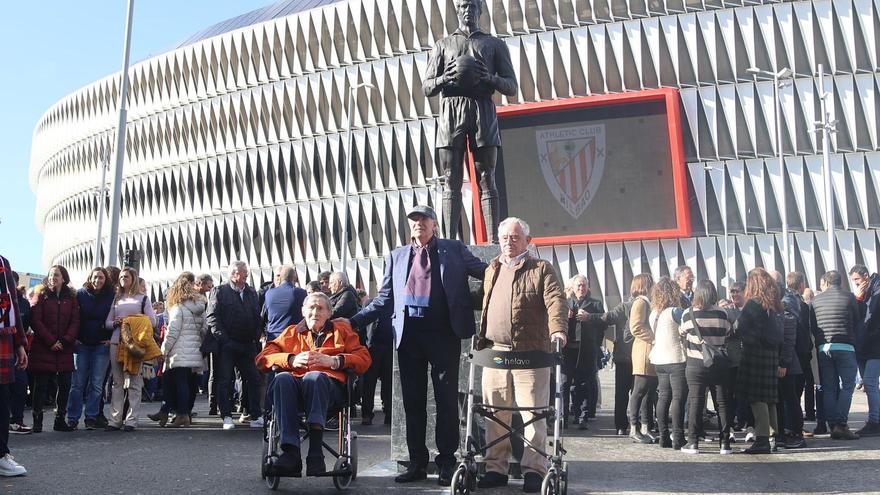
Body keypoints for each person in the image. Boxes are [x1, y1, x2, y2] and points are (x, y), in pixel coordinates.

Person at [348, 204, 486, 486]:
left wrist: (476, 295)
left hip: (443, 334)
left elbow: (488, 273)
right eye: (414, 220)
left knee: (446, 401)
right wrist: (353, 322)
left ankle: (447, 462)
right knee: (413, 403)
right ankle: (417, 462)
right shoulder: (398, 256)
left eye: (424, 219)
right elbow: (384, 298)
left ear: (435, 224)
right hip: (409, 336)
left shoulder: (453, 249)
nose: (418, 224)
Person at [474, 217, 567, 493]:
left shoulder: (541, 268)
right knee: (495, 413)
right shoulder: (492, 268)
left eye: (515, 237)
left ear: (528, 240)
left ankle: (533, 470)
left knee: (532, 415)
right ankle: (495, 469)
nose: (509, 242)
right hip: (496, 353)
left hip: (531, 354)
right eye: (504, 238)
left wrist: (558, 330)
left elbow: (555, 300)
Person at [422, 0, 517, 242]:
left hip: (482, 108)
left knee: (487, 176)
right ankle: (449, 241)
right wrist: (445, 77)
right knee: (450, 178)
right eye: (463, 6)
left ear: (480, 10)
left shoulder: (494, 45)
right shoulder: (443, 45)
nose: (468, 11)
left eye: (473, 6)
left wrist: (491, 77)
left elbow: (511, 87)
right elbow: (427, 87)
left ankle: (494, 241)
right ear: (457, 10)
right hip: (452, 110)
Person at [256, 292, 371, 476]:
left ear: (329, 313)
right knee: (282, 379)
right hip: (295, 391)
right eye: (311, 308)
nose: (315, 312)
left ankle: (315, 453)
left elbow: (364, 359)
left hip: (329, 392)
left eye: (320, 308)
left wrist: (334, 361)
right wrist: (290, 359)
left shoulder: (341, 331)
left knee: (315, 377)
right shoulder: (291, 332)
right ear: (303, 311)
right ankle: (291, 453)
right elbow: (263, 358)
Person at [206, 261, 264, 430]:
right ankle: (226, 415)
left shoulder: (251, 292)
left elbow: (257, 315)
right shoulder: (220, 291)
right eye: (242, 272)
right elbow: (212, 317)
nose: (246, 275)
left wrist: (255, 334)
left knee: (253, 378)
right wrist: (224, 339)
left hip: (247, 344)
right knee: (224, 380)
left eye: (246, 272)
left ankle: (255, 414)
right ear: (233, 274)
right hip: (228, 345)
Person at [678, 280, 733, 454]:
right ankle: (725, 443)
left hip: (696, 363)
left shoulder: (689, 313)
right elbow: (729, 333)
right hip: (718, 363)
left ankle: (693, 442)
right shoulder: (723, 313)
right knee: (722, 403)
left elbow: (682, 332)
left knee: (696, 401)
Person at [735, 267, 784, 454]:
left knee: (757, 398)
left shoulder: (753, 304)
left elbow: (740, 327)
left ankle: (762, 439)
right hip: (772, 354)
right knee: (769, 398)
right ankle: (773, 438)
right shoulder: (775, 304)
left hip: (755, 353)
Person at [105, 267, 159, 431]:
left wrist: (131, 320)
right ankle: (115, 420)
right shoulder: (117, 299)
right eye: (121, 277)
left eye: (126, 276)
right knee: (117, 383)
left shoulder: (143, 299)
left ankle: (131, 420)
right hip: (116, 342)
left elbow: (153, 321)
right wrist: (116, 322)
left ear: (133, 278)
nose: (123, 279)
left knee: (135, 382)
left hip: (134, 344)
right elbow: (107, 322)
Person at [810, 270, 860, 440]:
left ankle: (832, 425)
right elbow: (857, 319)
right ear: (840, 282)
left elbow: (813, 325)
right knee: (847, 385)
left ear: (826, 282)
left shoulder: (815, 300)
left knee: (829, 388)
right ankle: (841, 423)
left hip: (824, 348)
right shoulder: (849, 297)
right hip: (846, 346)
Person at [30, 264, 80, 433]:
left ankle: (60, 420)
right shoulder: (41, 295)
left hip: (64, 347)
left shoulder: (71, 298)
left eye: (56, 275)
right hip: (44, 346)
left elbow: (75, 321)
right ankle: (37, 421)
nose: (53, 278)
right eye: (51, 275)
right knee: (41, 385)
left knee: (65, 384)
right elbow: (36, 321)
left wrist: (65, 340)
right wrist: (51, 341)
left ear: (63, 278)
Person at [155, 272, 207, 428]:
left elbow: (172, 331)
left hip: (179, 349)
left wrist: (164, 350)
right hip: (195, 349)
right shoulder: (200, 306)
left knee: (179, 383)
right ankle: (173, 412)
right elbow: (205, 328)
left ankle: (181, 414)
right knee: (188, 383)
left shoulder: (178, 307)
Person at [67, 267, 114, 430]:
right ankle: (72, 417)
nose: (97, 280)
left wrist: (111, 339)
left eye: (101, 277)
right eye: (95, 277)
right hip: (82, 344)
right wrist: (74, 338)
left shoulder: (112, 295)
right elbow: (72, 317)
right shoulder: (80, 294)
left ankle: (91, 417)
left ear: (105, 279)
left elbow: (116, 318)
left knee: (96, 383)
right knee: (77, 383)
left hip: (102, 344)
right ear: (90, 278)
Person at [648, 277, 687, 449]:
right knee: (678, 398)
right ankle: (678, 437)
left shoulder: (653, 314)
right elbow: (687, 328)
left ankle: (664, 436)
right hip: (676, 358)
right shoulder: (675, 311)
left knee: (663, 397)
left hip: (659, 359)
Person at [0, 255, 29, 476]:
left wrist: (20, 342)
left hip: (2, 339)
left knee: (1, 398)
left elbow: (13, 304)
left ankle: (1, 455)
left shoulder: (3, 262)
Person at [563, 274, 604, 429]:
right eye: (578, 285)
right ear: (573, 288)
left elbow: (604, 322)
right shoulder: (566, 303)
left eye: (584, 285)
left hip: (587, 349)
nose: (581, 288)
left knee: (584, 384)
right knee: (565, 383)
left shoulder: (595, 304)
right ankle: (563, 417)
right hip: (568, 350)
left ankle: (582, 417)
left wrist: (590, 317)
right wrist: (565, 317)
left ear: (588, 287)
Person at [777, 272, 810, 448]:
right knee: (783, 399)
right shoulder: (788, 301)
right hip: (787, 359)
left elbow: (789, 337)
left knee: (790, 399)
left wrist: (784, 362)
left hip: (788, 361)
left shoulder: (786, 304)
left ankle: (796, 434)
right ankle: (784, 433)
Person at [625, 274, 657, 444]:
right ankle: (634, 428)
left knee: (649, 391)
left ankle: (646, 426)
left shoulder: (647, 302)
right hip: (643, 351)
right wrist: (655, 337)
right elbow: (636, 327)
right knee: (639, 390)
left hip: (650, 351)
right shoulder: (640, 302)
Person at [604, 284, 639, 436]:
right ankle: (638, 424)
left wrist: (590, 317)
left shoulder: (624, 306)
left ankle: (621, 426)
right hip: (633, 356)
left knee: (622, 393)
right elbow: (608, 317)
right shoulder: (628, 306)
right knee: (639, 393)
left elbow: (607, 317)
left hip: (624, 355)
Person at [850, 264, 880, 436]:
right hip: (863, 345)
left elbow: (869, 317)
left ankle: (875, 421)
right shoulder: (867, 293)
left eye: (857, 279)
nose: (855, 283)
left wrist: (859, 300)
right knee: (870, 385)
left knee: (869, 383)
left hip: (873, 345)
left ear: (866, 276)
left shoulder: (876, 292)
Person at [359, 297, 393, 426]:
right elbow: (363, 323)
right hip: (371, 347)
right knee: (369, 382)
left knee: (387, 382)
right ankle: (367, 414)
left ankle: (389, 413)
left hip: (387, 347)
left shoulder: (392, 302)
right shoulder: (369, 302)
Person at [7, 273, 31, 435]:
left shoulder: (22, 303)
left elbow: (23, 326)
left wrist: (21, 346)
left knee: (21, 385)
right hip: (4, 348)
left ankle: (16, 420)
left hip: (15, 348)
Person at [263, 265, 307, 341]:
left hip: (273, 337)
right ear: (294, 278)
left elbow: (265, 315)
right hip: (292, 338)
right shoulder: (300, 293)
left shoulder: (269, 293)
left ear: (280, 278)